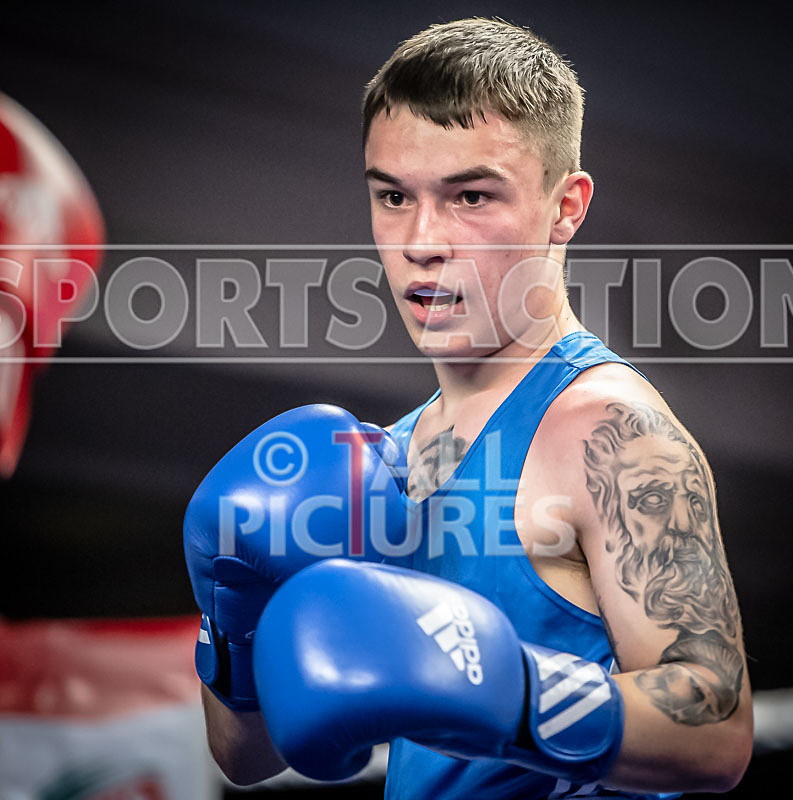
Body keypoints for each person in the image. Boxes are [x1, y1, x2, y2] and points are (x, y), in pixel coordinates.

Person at [185, 17, 752, 797]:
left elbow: (718, 731)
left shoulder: (611, 430)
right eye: (393, 195)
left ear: (566, 207)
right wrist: (235, 616)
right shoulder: (387, 457)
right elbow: (246, 760)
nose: (422, 240)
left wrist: (511, 692)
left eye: (471, 196)